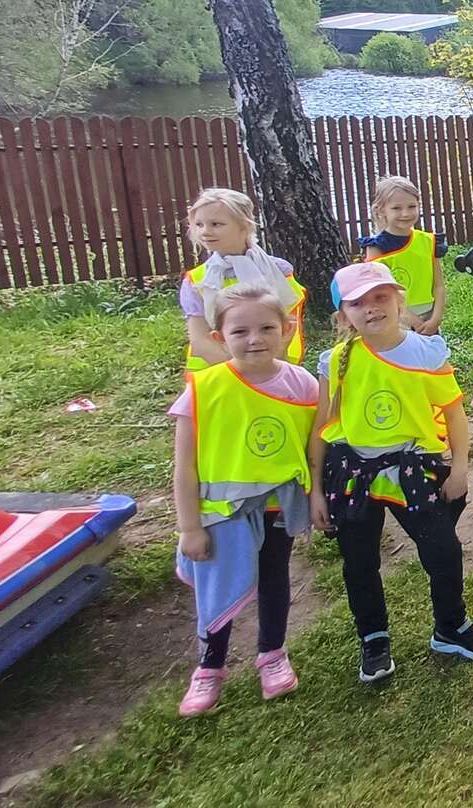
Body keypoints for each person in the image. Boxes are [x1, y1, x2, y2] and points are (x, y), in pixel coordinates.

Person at [309, 261, 473, 683]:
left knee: (443, 551)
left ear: (399, 302)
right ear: (343, 315)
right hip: (352, 474)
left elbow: (453, 412)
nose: (371, 308)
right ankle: (373, 638)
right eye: (358, 303)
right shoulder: (335, 361)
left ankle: (451, 627)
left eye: (380, 297)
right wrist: (316, 490)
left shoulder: (426, 352)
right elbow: (322, 426)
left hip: (413, 469)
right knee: (359, 561)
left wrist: (459, 469)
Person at [169, 283, 317, 717]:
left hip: (277, 507)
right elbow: (185, 467)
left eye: (267, 328)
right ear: (219, 338)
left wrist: (315, 499)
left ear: (287, 329)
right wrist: (190, 527)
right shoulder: (204, 389)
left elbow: (314, 450)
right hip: (222, 513)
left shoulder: (303, 385)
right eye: (240, 331)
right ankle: (209, 666)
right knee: (216, 587)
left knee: (274, 577)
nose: (255, 339)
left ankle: (272, 654)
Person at [179, 188, 305, 371]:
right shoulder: (196, 280)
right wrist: (242, 372)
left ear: (244, 226)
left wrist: (266, 368)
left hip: (274, 370)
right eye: (199, 224)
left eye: (216, 224)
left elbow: (289, 322)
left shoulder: (278, 270)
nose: (205, 232)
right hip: (217, 374)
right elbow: (200, 338)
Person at [359, 175, 448, 336]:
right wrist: (412, 320)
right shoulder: (376, 248)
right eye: (396, 208)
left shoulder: (428, 241)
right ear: (381, 210)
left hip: (429, 318)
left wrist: (436, 318)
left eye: (411, 206)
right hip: (395, 320)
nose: (405, 213)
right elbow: (378, 292)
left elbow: (439, 286)